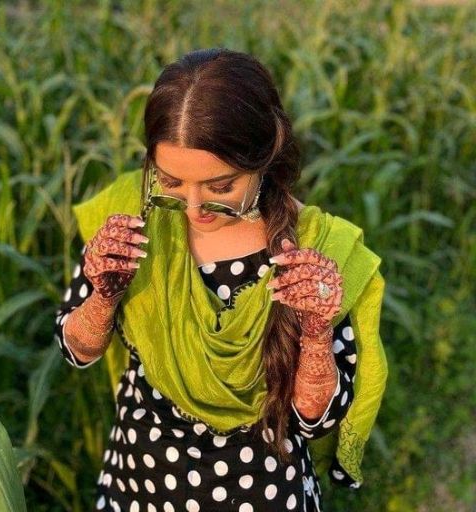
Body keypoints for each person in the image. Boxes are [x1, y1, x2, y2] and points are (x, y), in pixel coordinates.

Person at [54, 48, 388, 512]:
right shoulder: (132, 213)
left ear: (264, 157)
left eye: (220, 187)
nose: (192, 211)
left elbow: (314, 419)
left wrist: (315, 331)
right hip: (142, 476)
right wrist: (104, 294)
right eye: (171, 182)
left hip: (260, 488)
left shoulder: (316, 250)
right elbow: (76, 350)